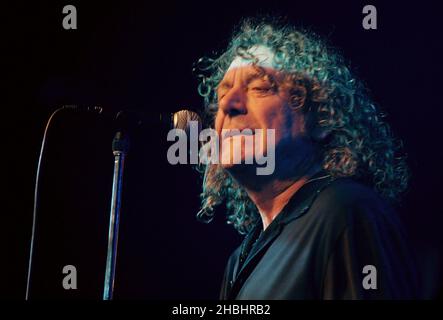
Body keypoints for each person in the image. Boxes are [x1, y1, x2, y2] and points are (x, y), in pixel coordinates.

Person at [194, 17, 418, 299]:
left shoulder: (347, 212)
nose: (227, 104)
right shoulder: (240, 258)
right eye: (223, 93)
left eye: (260, 87)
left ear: (321, 118)